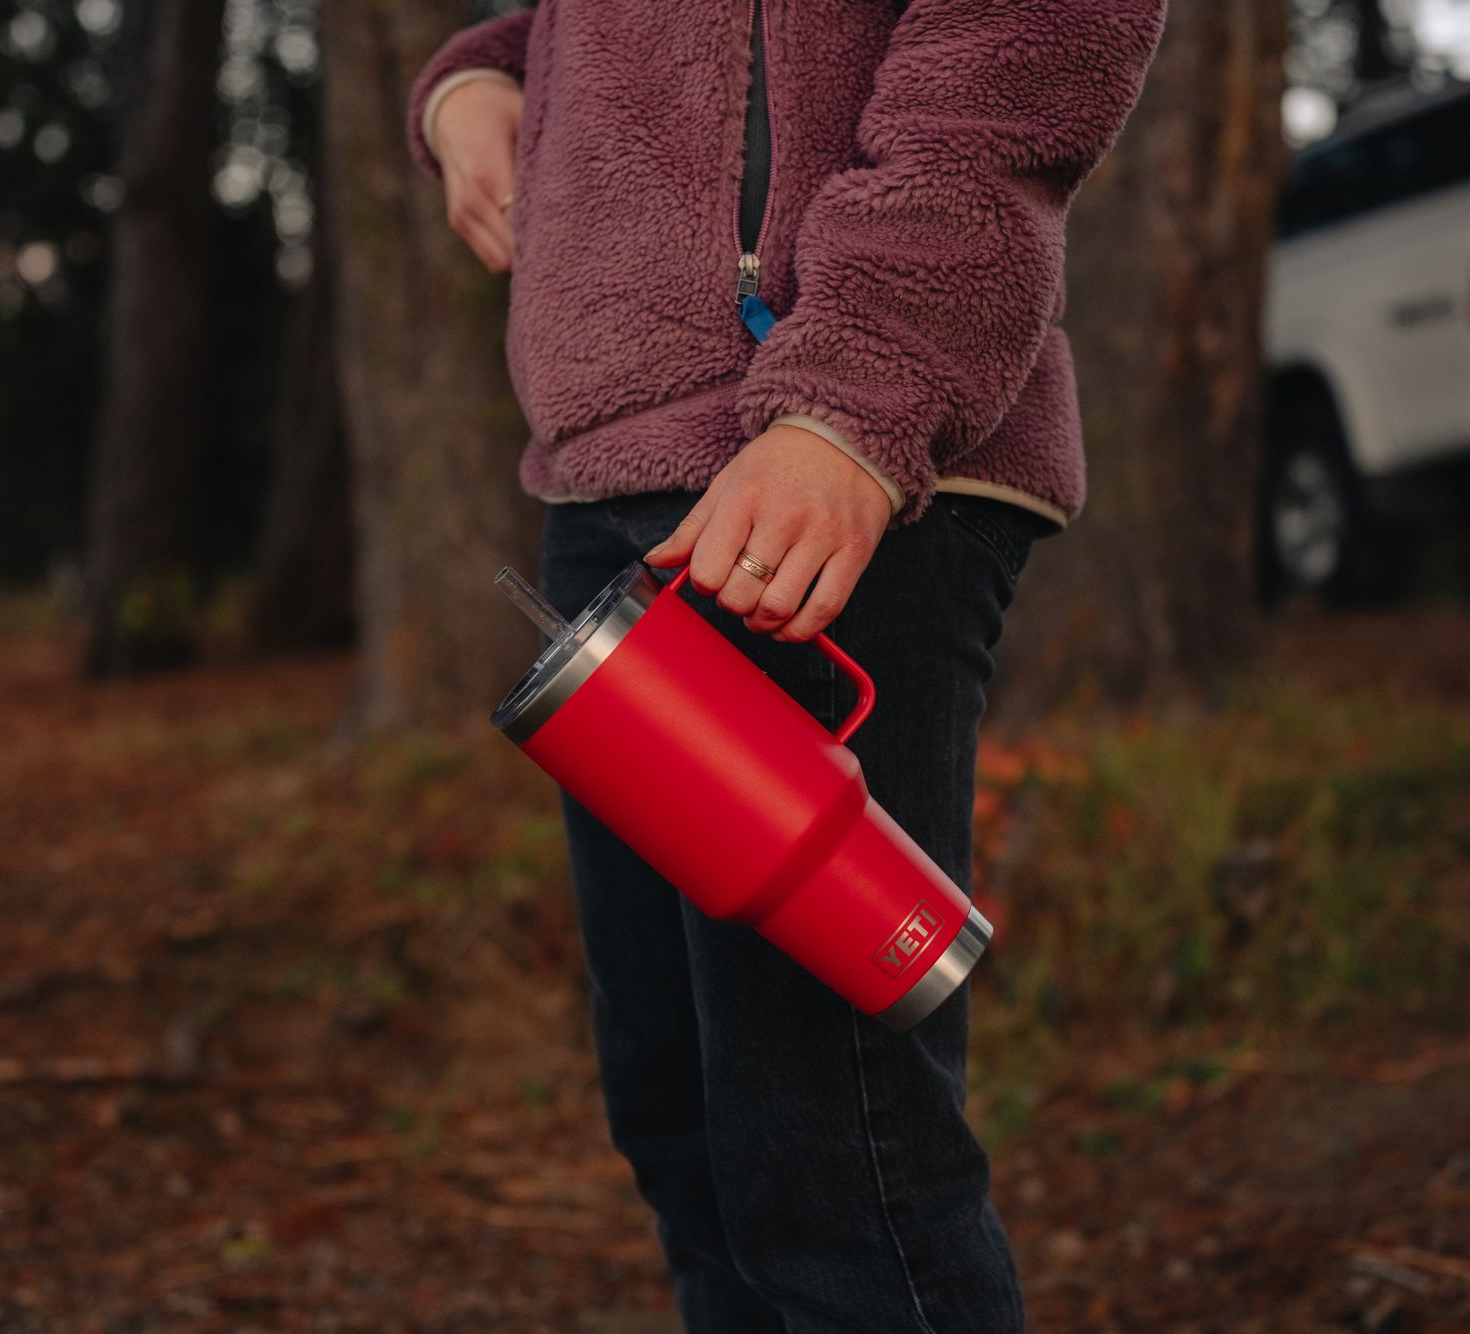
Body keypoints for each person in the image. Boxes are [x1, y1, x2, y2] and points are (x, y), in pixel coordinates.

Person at [408, 3, 1164, 1328]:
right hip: (609, 467)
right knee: (686, 1132)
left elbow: (1018, 52)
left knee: (834, 1174)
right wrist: (475, 82)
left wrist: (857, 396)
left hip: (823, 452)